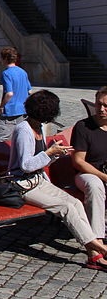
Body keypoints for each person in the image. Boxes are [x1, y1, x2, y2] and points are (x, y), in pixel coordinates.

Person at [8, 90, 107, 270]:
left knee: (75, 203)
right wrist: (49, 153)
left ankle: (94, 254)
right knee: (66, 207)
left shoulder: (37, 127)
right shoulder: (23, 130)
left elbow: (40, 161)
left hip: (38, 181)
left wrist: (54, 155)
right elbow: (25, 166)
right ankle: (100, 250)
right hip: (23, 184)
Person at [71, 87, 107, 250]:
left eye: (106, 106)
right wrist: (104, 177)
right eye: (99, 104)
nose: (101, 109)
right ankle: (98, 240)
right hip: (87, 173)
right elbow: (78, 161)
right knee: (95, 185)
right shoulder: (83, 127)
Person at [0, 46, 31, 143]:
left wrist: (1, 106)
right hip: (22, 111)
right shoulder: (23, 72)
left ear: (5, 58)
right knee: (19, 140)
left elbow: (9, 93)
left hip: (9, 111)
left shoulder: (6, 73)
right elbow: (29, 91)